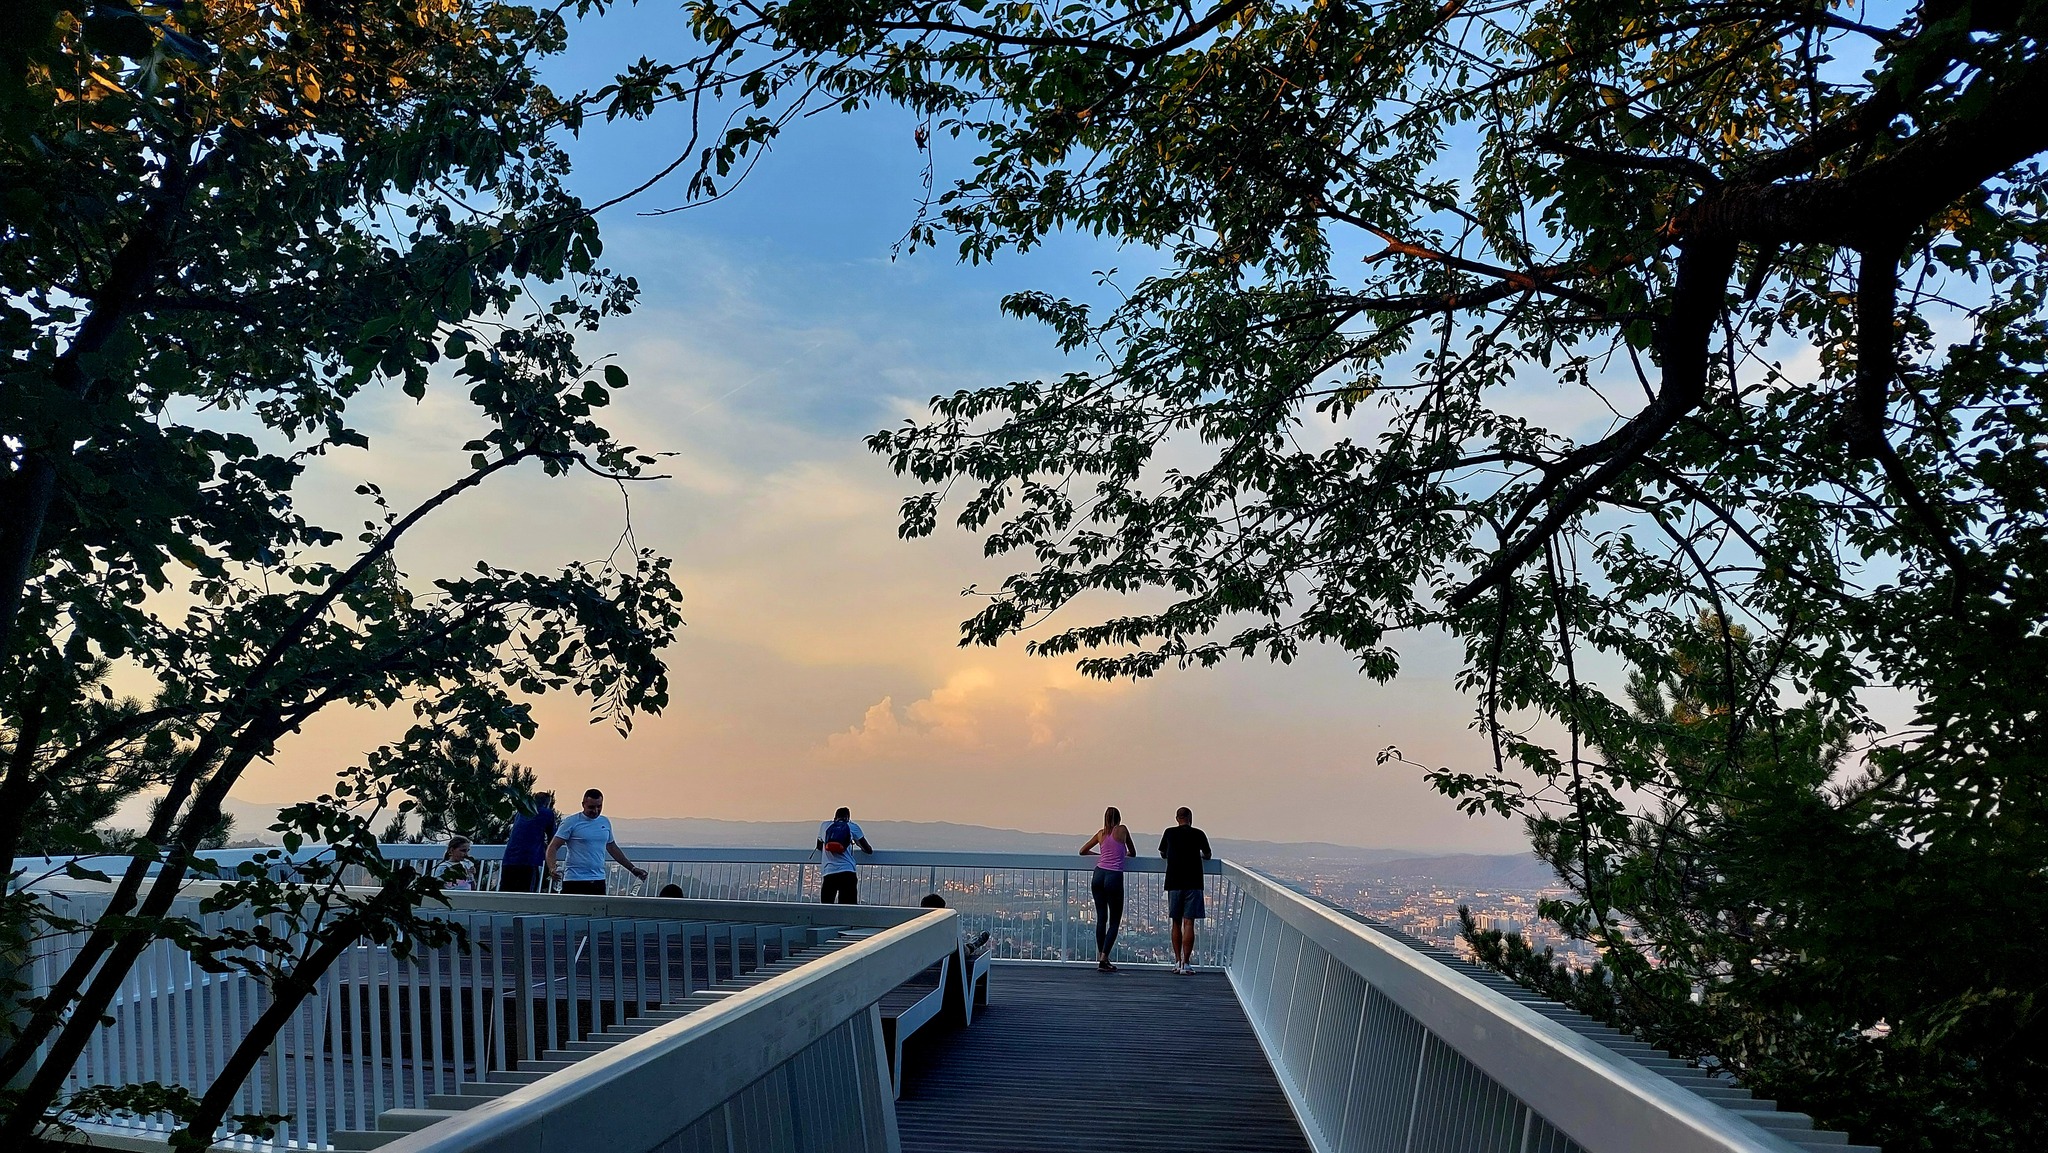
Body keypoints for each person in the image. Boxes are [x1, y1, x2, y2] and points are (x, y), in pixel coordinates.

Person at [544, 788, 648, 895]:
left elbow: (612, 848)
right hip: (575, 880)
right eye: (591, 807)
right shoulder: (570, 822)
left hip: (599, 879)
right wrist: (552, 868)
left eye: (599, 807)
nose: (596, 811)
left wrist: (633, 869)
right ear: (583, 804)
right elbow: (553, 847)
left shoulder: (605, 821)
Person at [1080, 806, 1135, 972]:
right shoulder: (1122, 830)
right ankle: (1104, 958)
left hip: (1098, 874)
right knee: (1114, 921)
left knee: (1101, 918)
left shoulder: (1101, 834)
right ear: (1119, 818)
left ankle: (1101, 956)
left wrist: (1101, 856)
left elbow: (1082, 851)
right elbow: (1132, 852)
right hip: (1114, 876)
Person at [1158, 806, 1213, 974]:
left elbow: (1162, 853)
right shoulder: (1198, 834)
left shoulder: (1169, 833)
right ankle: (1186, 963)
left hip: (1174, 881)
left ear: (1177, 818)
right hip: (1193, 882)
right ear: (1190, 818)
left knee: (1176, 921)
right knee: (1189, 922)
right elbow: (1208, 854)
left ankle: (1177, 961)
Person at [499, 790, 557, 893]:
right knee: (527, 895)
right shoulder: (546, 813)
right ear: (547, 803)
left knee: (506, 893)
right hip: (529, 859)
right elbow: (553, 838)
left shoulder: (521, 812)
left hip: (509, 859)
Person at [815, 806, 873, 904]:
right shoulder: (852, 827)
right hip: (847, 872)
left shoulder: (825, 826)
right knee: (848, 910)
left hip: (829, 872)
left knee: (826, 909)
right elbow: (868, 850)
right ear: (848, 818)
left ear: (835, 817)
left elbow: (819, 846)